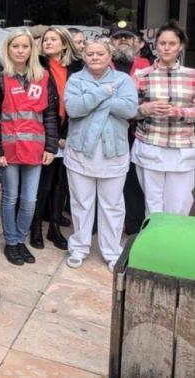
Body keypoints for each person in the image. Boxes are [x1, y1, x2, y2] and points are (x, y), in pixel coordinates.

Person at [63, 38, 138, 272]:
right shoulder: (76, 79)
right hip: (80, 152)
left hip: (113, 152)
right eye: (90, 54)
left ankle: (112, 251)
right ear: (84, 56)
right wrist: (103, 94)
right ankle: (79, 247)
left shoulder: (122, 80)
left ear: (109, 56)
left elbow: (129, 109)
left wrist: (93, 99)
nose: (94, 57)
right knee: (81, 203)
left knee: (112, 205)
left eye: (100, 54)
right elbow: (73, 109)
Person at [0, 28, 58, 266]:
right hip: (8, 150)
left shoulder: (43, 76)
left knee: (29, 201)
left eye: (24, 46)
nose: (20, 50)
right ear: (8, 49)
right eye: (15, 46)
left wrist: (51, 147)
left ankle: (20, 239)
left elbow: (50, 116)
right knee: (10, 197)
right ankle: (12, 242)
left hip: (35, 150)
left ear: (31, 49)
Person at [132, 22, 195, 216]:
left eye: (172, 43)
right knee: (153, 206)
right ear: (156, 45)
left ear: (180, 46)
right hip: (150, 145)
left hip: (182, 148)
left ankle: (172, 246)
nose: (167, 48)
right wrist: (144, 109)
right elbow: (128, 111)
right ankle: (153, 245)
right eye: (162, 43)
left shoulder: (192, 76)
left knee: (179, 206)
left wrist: (178, 112)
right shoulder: (141, 75)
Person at [29, 26, 83, 251]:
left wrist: (65, 133)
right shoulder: (37, 65)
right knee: (44, 183)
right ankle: (35, 229)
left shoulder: (77, 67)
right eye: (45, 40)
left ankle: (54, 228)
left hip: (68, 131)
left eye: (53, 39)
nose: (48, 43)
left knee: (61, 184)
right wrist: (53, 135)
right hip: (44, 132)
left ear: (64, 43)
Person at [109, 21, 150, 235]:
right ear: (110, 42)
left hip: (138, 132)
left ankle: (133, 224)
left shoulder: (150, 67)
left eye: (128, 36)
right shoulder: (101, 64)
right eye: (117, 37)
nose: (122, 40)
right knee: (107, 179)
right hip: (109, 131)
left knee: (134, 181)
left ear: (139, 43)